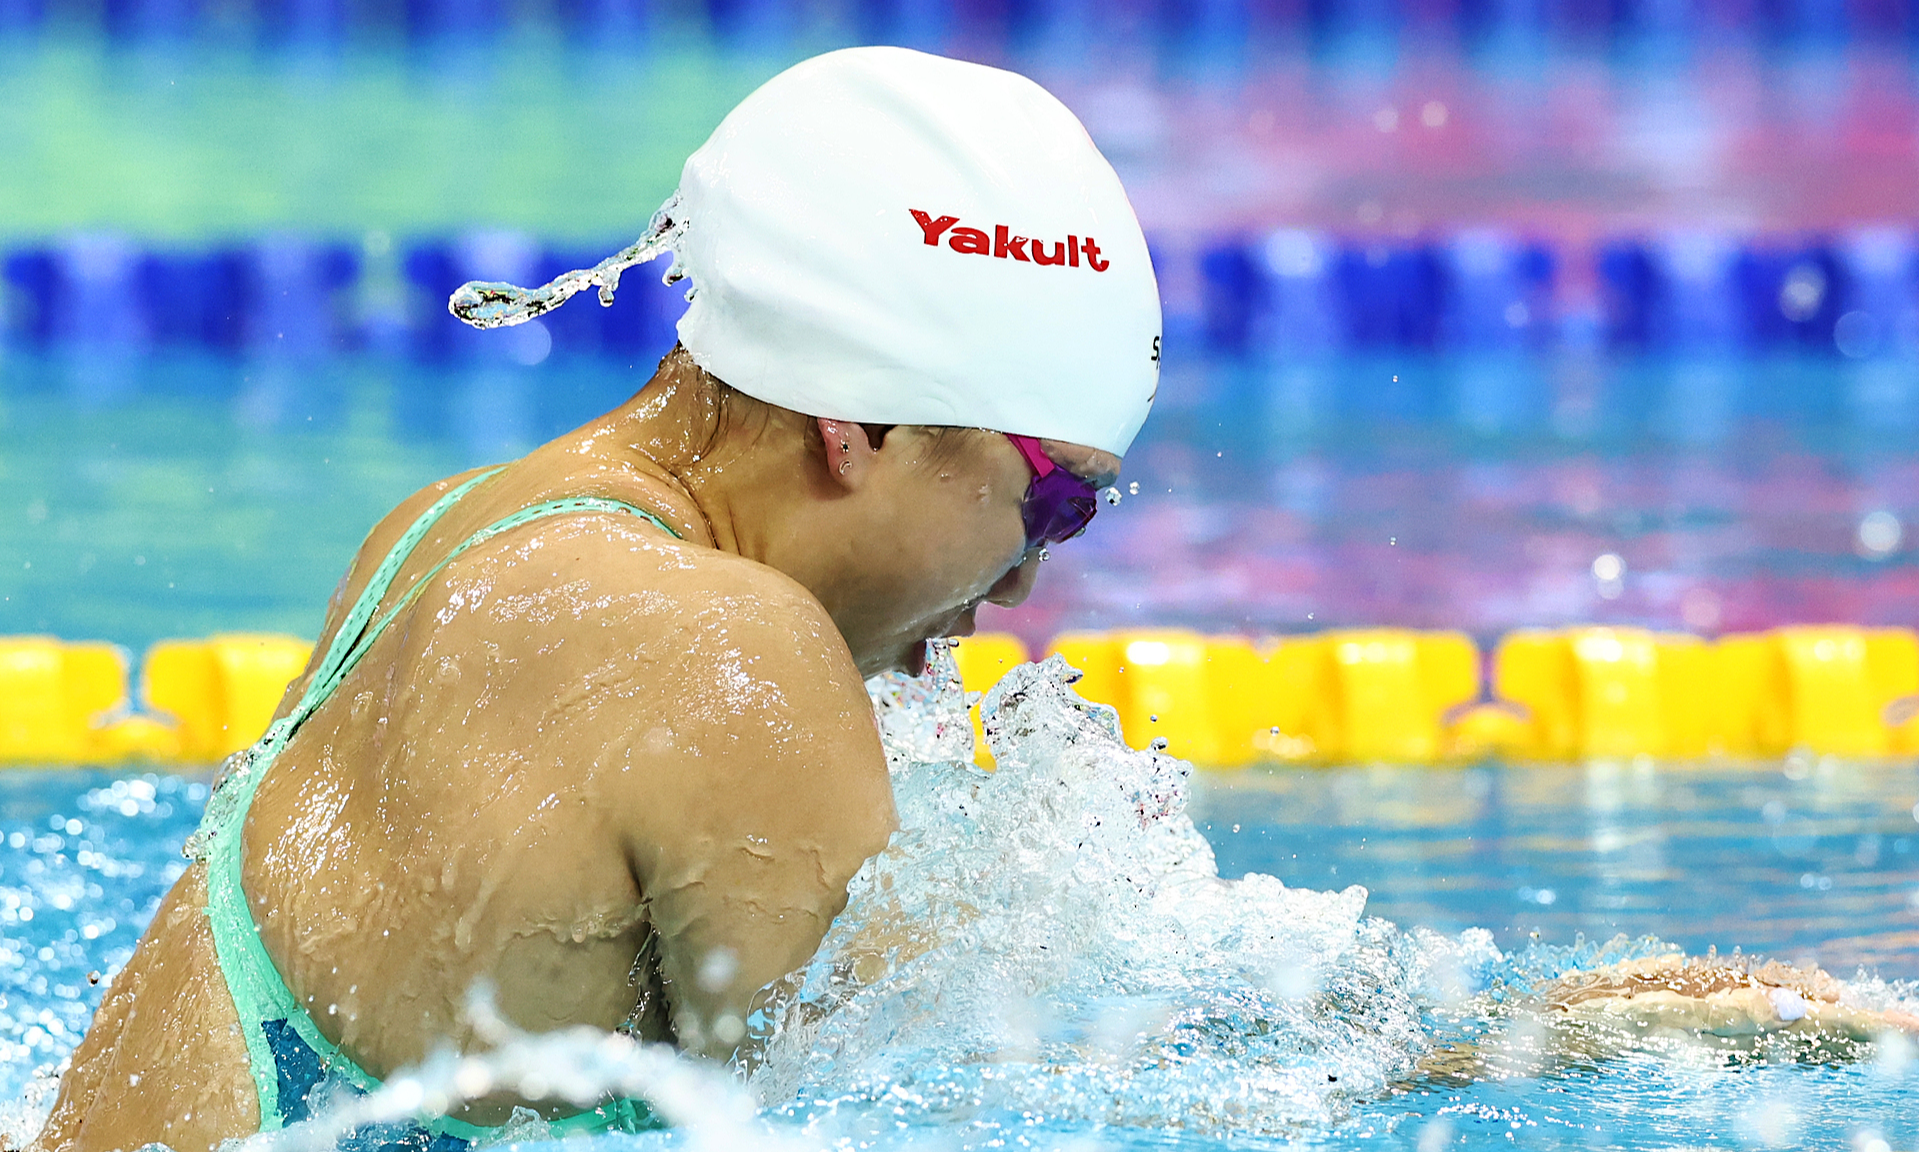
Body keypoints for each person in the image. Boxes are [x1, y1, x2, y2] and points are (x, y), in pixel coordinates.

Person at [33, 46, 1156, 1150]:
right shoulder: (730, 652)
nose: (1022, 581)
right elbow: (877, 1115)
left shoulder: (446, 525)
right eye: (1052, 503)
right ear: (859, 426)